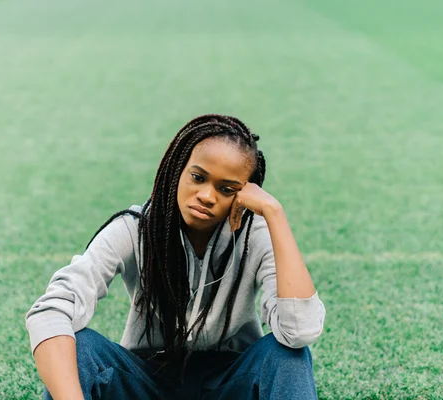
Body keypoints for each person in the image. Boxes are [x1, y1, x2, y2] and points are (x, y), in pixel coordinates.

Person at [25, 114, 326, 400]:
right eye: (197, 177)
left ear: (244, 194)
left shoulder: (256, 234)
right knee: (80, 346)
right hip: (148, 382)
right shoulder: (135, 228)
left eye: (226, 188)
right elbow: (51, 312)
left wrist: (275, 215)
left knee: (287, 352)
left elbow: (299, 331)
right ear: (176, 170)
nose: (207, 195)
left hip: (229, 384)